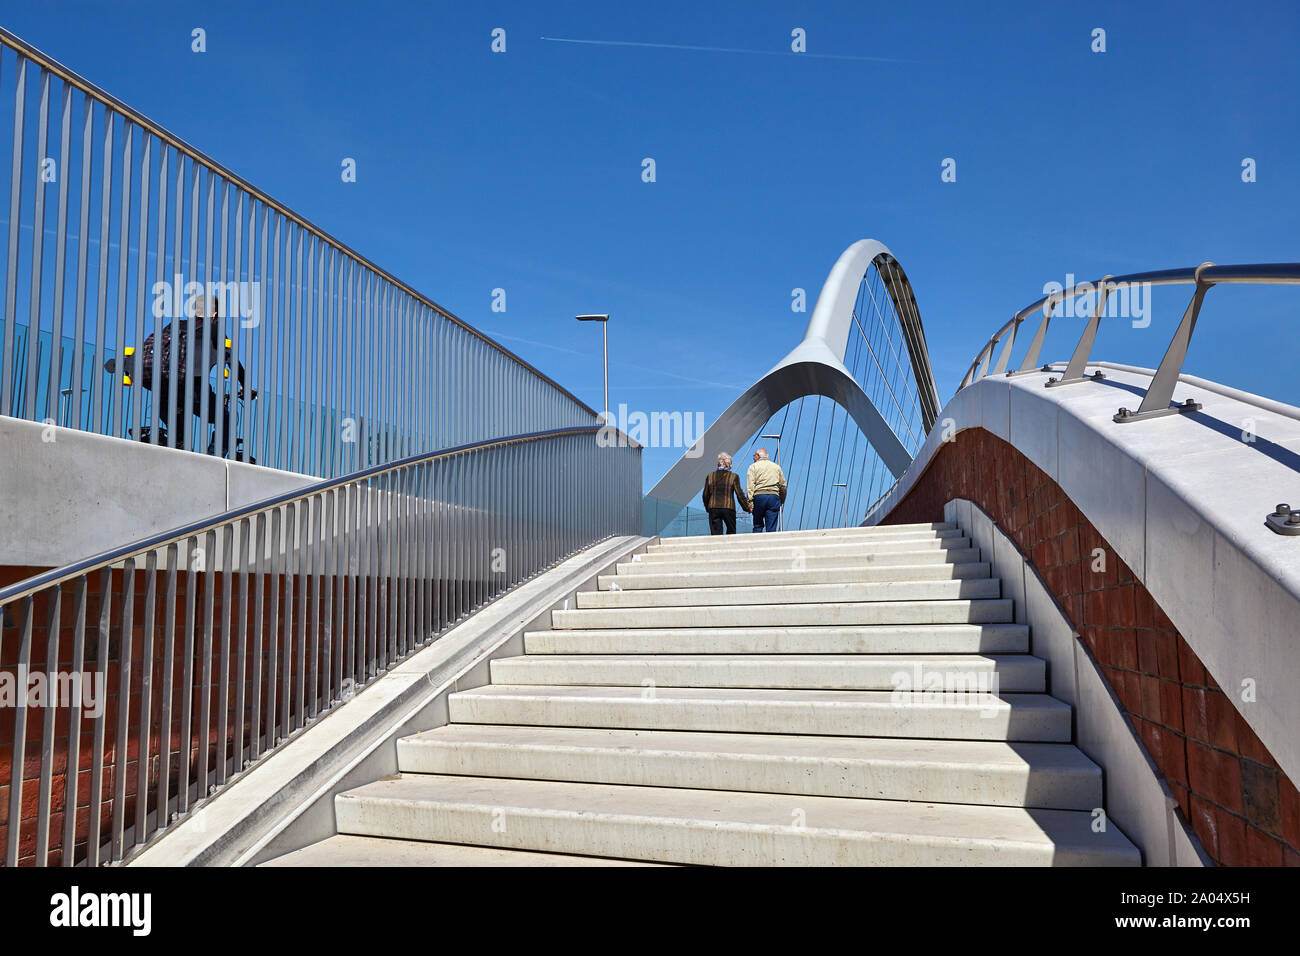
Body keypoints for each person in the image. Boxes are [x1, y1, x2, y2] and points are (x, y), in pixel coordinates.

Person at [106, 295, 255, 448]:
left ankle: (173, 444)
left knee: (179, 441)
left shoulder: (175, 326)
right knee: (225, 418)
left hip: (162, 387)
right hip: (191, 389)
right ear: (215, 314)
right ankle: (214, 456)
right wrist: (245, 386)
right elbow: (231, 361)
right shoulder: (214, 330)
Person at [700, 453, 750, 535]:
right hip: (728, 507)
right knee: (731, 532)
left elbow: (705, 494)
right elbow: (739, 494)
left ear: (718, 463)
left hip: (713, 507)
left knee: (716, 534)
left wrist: (707, 507)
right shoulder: (733, 477)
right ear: (729, 464)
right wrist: (747, 507)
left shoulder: (710, 476)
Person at [746, 447, 786, 533]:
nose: (753, 458)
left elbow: (750, 486)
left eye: (754, 455)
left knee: (758, 525)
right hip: (773, 497)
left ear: (758, 456)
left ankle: (756, 544)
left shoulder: (753, 467)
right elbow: (783, 485)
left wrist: (750, 503)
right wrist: (781, 500)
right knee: (771, 527)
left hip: (759, 497)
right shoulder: (776, 467)